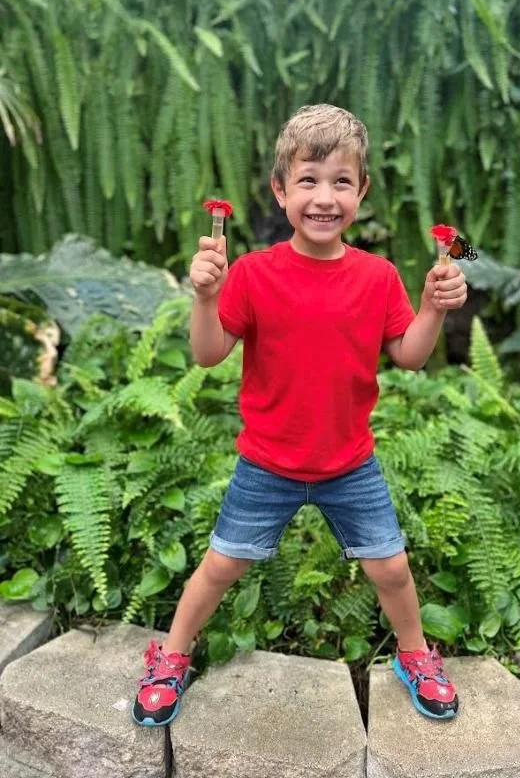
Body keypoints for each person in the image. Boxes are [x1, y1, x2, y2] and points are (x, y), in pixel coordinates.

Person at [132, 104, 467, 728]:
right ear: (280, 190)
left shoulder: (378, 276)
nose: (324, 197)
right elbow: (207, 355)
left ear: (361, 191)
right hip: (268, 462)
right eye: (308, 180)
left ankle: (416, 655)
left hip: (349, 462)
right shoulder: (254, 274)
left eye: (342, 181)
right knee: (223, 564)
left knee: (390, 567)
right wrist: (205, 296)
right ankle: (172, 655)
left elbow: (411, 357)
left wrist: (433, 307)